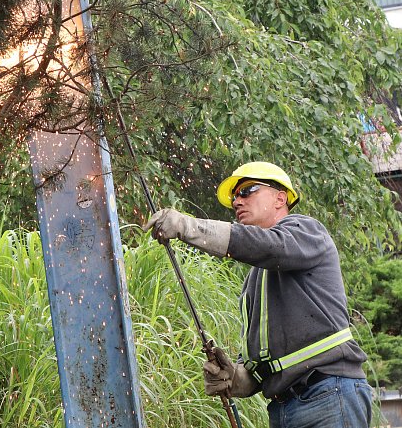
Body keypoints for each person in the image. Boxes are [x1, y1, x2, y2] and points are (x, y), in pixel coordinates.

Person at [143, 161, 373, 428]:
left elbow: (265, 245)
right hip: (283, 409)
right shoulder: (255, 280)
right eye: (233, 198)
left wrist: (188, 227)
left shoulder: (308, 231)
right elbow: (263, 358)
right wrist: (235, 378)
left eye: (247, 190)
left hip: (327, 394)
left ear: (280, 198)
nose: (237, 201)